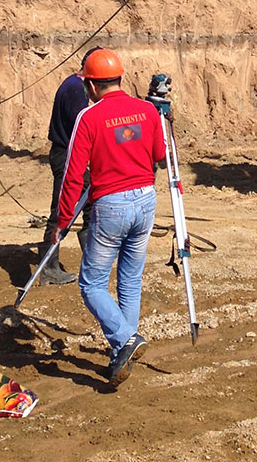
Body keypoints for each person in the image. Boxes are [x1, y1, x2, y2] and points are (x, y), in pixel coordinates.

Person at [55, 48, 165, 387]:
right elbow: (160, 155)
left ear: (89, 85)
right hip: (146, 201)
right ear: (120, 79)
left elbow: (73, 176)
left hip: (111, 207)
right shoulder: (147, 110)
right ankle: (124, 348)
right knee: (130, 281)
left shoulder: (89, 118)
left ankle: (124, 340)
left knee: (91, 284)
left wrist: (62, 221)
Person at [35, 46, 102, 286]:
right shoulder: (76, 89)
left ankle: (91, 262)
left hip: (68, 153)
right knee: (62, 210)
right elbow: (82, 128)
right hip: (66, 155)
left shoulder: (75, 85)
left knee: (90, 205)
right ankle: (49, 268)